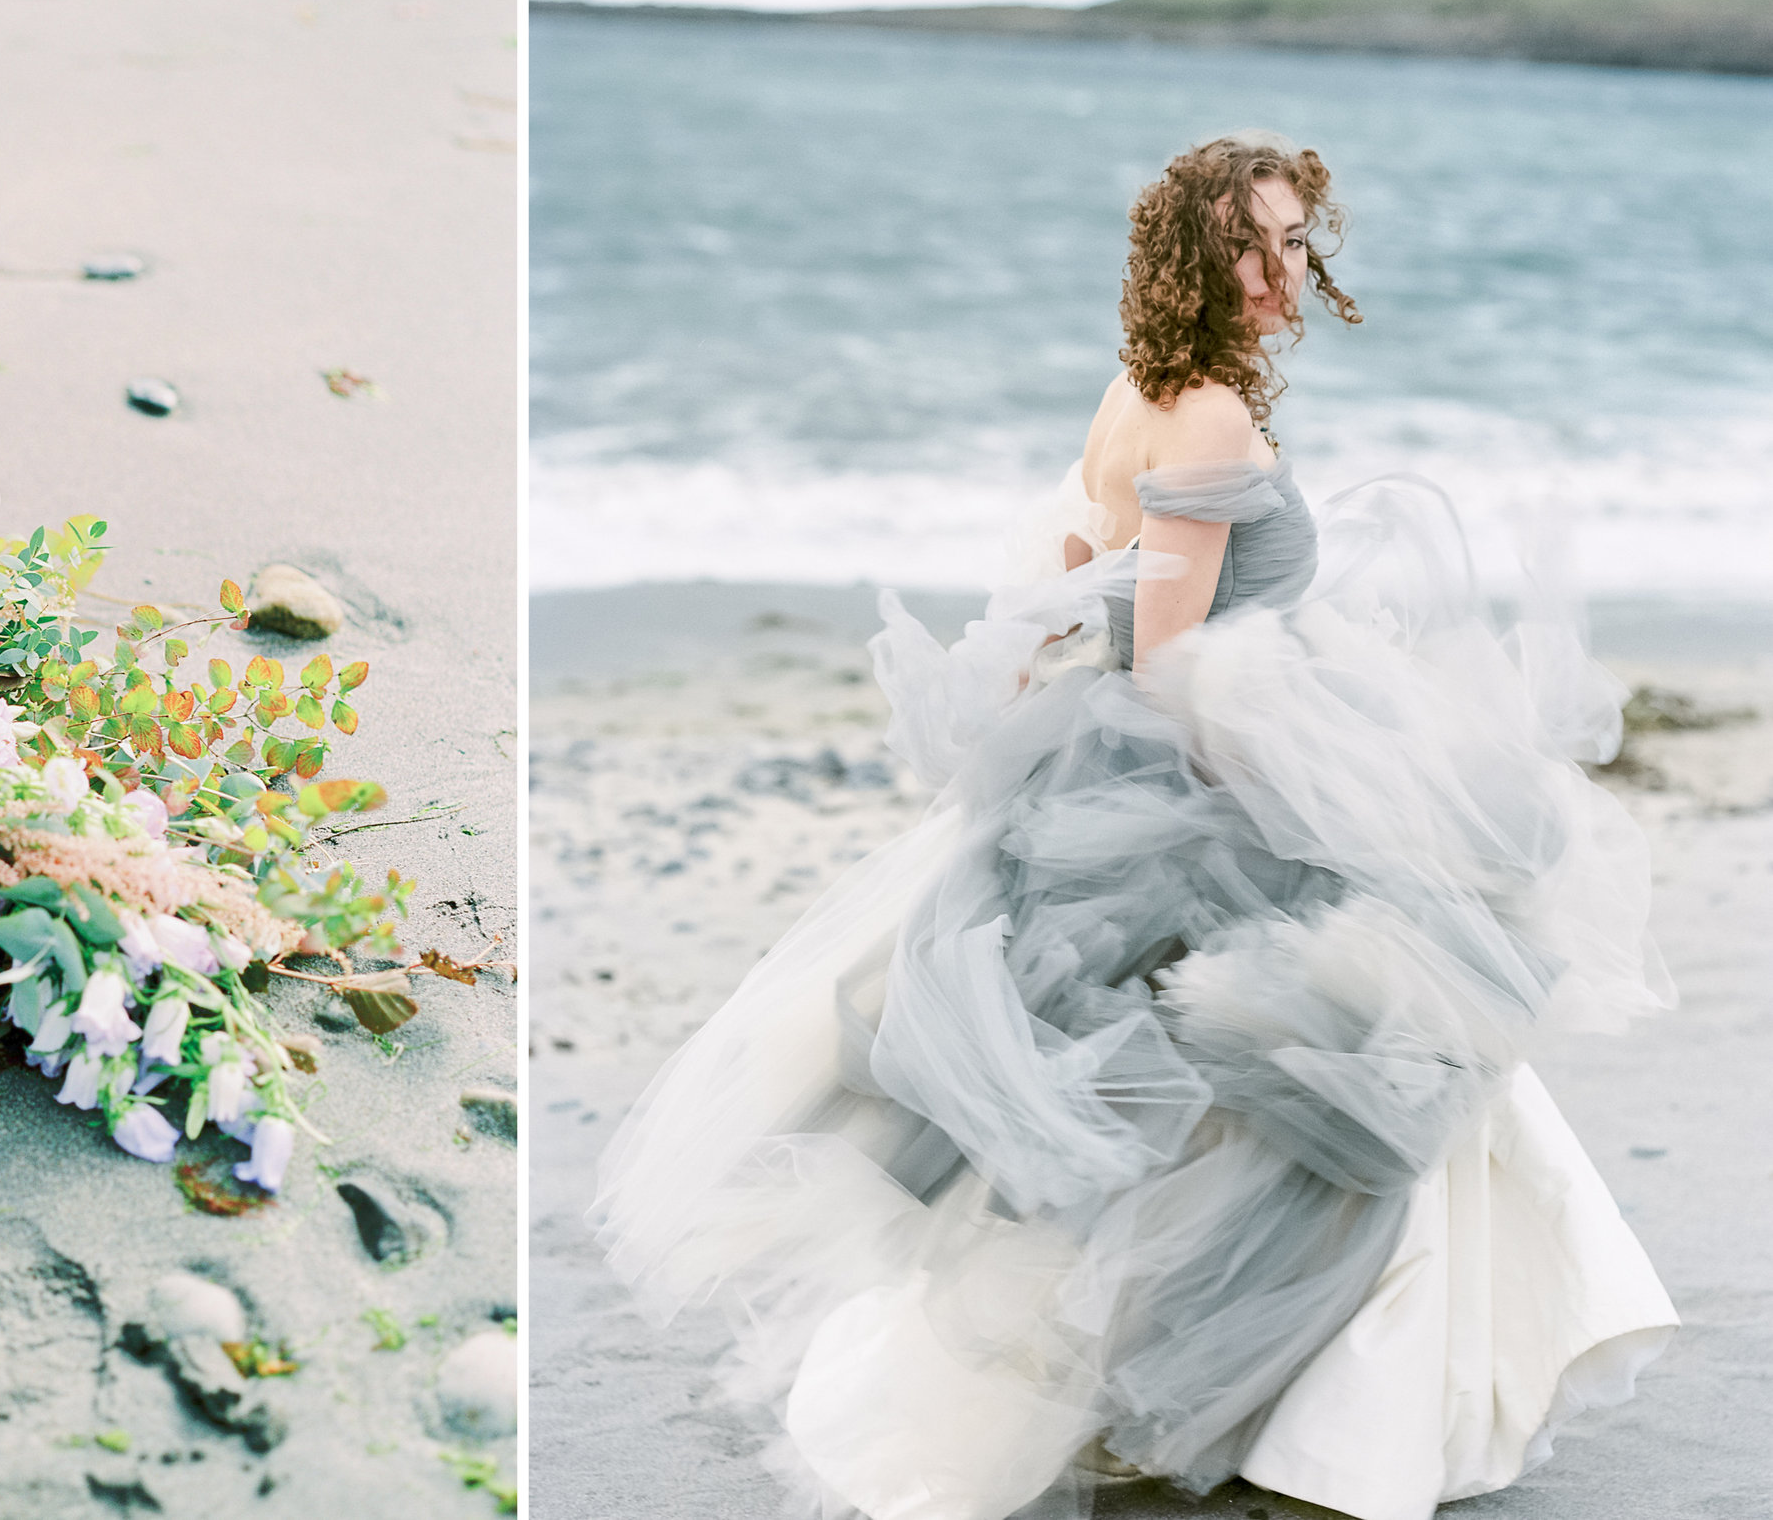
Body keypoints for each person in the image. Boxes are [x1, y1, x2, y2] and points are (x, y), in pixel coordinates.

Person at [589, 133, 1678, 1520]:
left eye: (1297, 241)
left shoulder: (1134, 394)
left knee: (1217, 1102)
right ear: (1195, 256)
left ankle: (1167, 1393)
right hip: (1203, 771)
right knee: (1370, 1056)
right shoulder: (1212, 415)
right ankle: (1335, 1421)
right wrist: (1292, 806)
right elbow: (1172, 652)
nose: (1285, 271)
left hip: (1127, 757)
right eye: (1255, 243)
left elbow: (1062, 570)